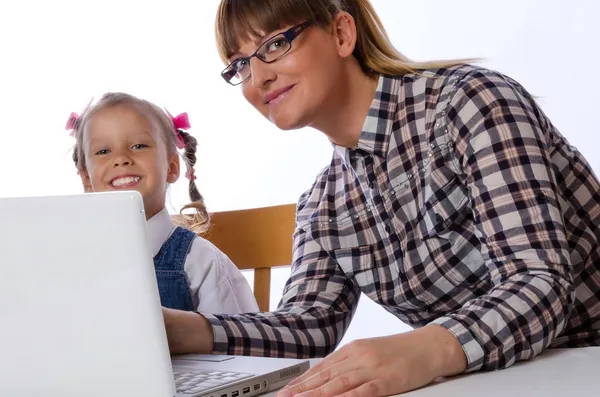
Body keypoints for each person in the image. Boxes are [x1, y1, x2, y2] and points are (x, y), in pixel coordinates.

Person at [162, 0, 600, 395]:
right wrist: (180, 330)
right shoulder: (323, 205)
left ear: (341, 34)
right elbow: (309, 326)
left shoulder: (468, 103)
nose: (259, 77)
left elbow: (541, 284)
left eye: (275, 44)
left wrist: (422, 350)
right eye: (239, 65)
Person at [66, 92, 259, 315]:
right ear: (87, 179)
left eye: (139, 146)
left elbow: (239, 338)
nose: (120, 158)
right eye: (103, 151)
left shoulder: (201, 262)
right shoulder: (72, 262)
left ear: (172, 167)